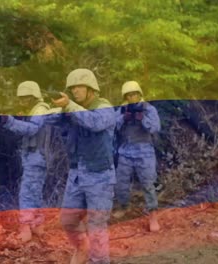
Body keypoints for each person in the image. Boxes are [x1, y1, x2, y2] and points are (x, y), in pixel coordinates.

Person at [51, 69, 116, 264]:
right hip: (77, 174)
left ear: (91, 88)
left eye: (79, 87)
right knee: (68, 220)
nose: (75, 91)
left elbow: (95, 123)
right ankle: (82, 249)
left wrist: (69, 106)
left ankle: (98, 261)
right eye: (72, 88)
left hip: (100, 175)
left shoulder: (105, 107)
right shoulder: (74, 110)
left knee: (97, 225)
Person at [1, 81, 52, 242]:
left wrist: (9, 121)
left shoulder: (40, 110)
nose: (22, 101)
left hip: (37, 157)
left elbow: (32, 129)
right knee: (35, 193)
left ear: (33, 97)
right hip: (35, 156)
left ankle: (26, 229)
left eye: (25, 98)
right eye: (21, 98)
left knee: (27, 194)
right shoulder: (37, 109)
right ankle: (38, 225)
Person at [113, 81, 161, 232]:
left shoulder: (148, 109)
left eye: (134, 94)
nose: (132, 97)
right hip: (126, 151)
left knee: (148, 184)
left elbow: (155, 128)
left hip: (145, 152)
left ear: (139, 94)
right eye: (129, 95)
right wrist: (124, 118)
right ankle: (124, 206)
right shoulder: (122, 109)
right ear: (125, 97)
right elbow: (112, 126)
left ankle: (153, 215)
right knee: (121, 183)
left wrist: (142, 119)